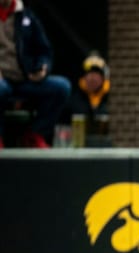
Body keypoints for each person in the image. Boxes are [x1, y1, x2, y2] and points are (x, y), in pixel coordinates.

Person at [0, 0, 71, 148]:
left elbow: (44, 51)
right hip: (2, 80)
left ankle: (35, 134)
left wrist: (42, 68)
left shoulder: (27, 17)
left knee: (61, 87)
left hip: (24, 79)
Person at [65, 51, 112, 147]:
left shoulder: (112, 100)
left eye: (96, 74)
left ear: (103, 77)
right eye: (89, 74)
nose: (92, 78)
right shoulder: (72, 100)